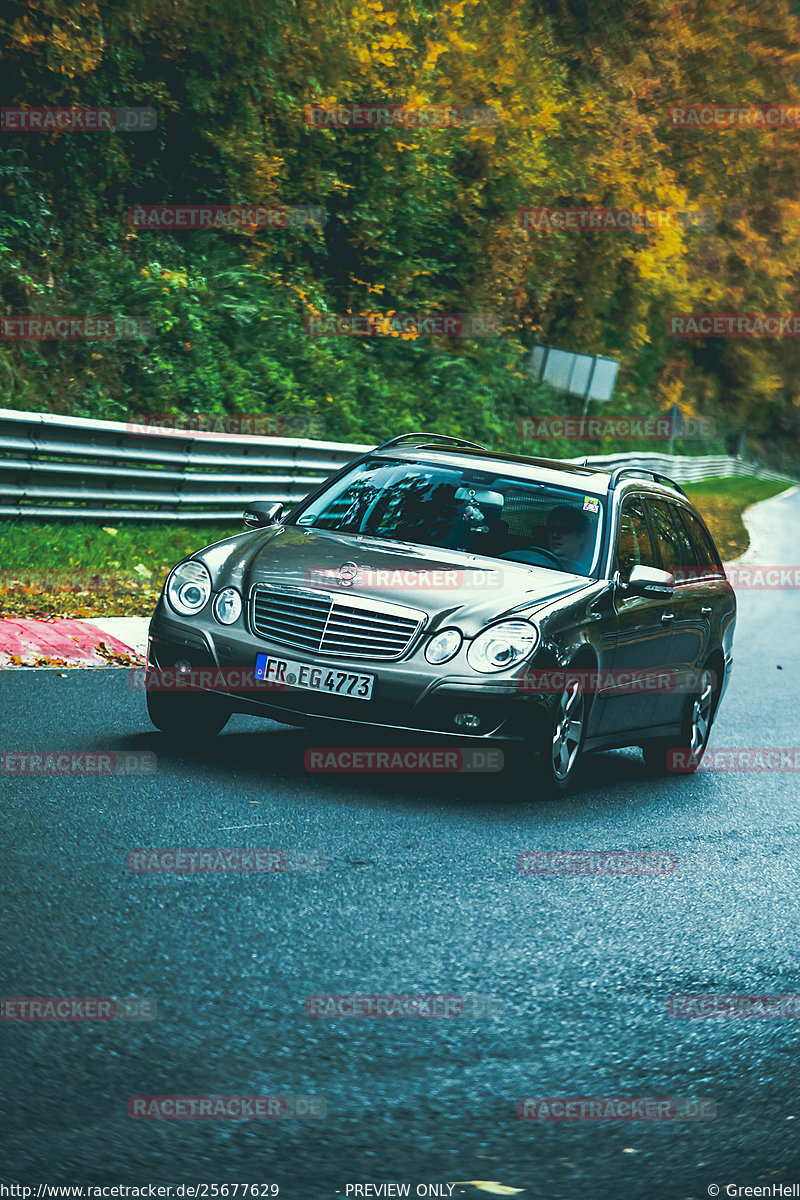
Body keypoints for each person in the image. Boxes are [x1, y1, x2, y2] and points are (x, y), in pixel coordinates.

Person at [545, 506, 594, 574]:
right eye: (551, 529)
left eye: (563, 530)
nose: (555, 535)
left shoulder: (591, 571)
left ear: (580, 537)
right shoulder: (535, 560)